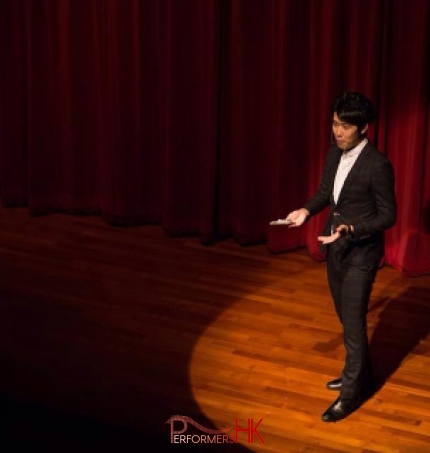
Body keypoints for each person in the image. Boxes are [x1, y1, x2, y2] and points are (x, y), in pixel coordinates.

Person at [285, 91, 397, 422]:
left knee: (353, 323)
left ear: (363, 127)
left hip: (361, 253)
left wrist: (351, 228)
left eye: (345, 126)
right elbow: (325, 193)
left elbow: (388, 216)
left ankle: (350, 395)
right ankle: (362, 376)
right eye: (335, 124)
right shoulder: (334, 152)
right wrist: (305, 210)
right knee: (347, 319)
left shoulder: (378, 165)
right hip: (335, 249)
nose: (337, 132)